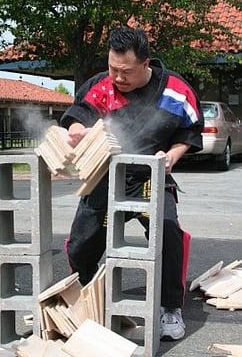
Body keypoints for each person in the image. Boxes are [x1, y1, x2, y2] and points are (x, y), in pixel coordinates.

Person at [61, 27, 203, 341]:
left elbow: (189, 132)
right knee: (82, 242)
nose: (117, 77)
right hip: (107, 178)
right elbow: (78, 113)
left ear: (145, 64)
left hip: (151, 178)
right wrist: (74, 129)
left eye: (125, 72)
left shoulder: (175, 90)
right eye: (112, 68)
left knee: (167, 233)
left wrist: (173, 155)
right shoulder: (101, 85)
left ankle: (170, 309)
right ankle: (87, 300)